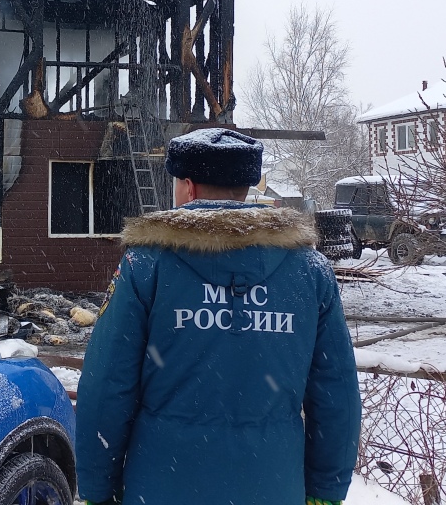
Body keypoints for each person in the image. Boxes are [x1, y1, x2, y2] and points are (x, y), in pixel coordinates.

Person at [75, 128, 361, 505]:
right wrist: (327, 490)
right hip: (272, 485)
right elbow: (336, 392)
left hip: (163, 485)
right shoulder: (311, 272)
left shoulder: (145, 265)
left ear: (188, 189)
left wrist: (97, 488)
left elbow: (106, 385)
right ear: (247, 186)